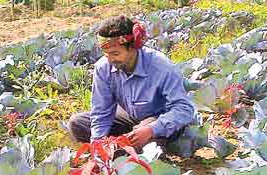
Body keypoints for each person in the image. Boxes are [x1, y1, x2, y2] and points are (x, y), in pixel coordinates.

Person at [68, 15, 196, 151]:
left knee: (146, 144)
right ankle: (123, 146)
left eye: (115, 53)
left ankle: (136, 146)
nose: (110, 59)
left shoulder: (161, 67)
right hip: (129, 118)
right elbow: (101, 112)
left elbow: (184, 109)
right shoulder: (103, 67)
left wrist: (151, 130)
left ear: (133, 47)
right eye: (106, 54)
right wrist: (98, 143)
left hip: (159, 120)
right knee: (78, 123)